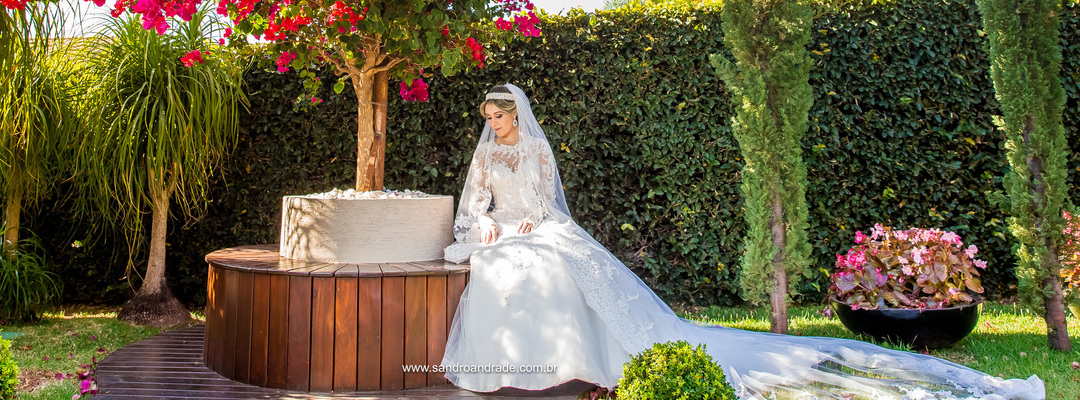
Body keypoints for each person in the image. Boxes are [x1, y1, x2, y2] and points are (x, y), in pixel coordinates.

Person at [441, 83, 1045, 400]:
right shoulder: (486, 154)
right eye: (487, 120)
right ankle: (505, 369)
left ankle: (572, 363)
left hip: (540, 224)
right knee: (501, 266)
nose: (492, 126)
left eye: (498, 117)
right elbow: (475, 201)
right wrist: (486, 222)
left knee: (552, 262)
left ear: (515, 115)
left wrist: (531, 220)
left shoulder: (537, 149)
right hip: (502, 232)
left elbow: (546, 201)